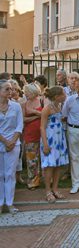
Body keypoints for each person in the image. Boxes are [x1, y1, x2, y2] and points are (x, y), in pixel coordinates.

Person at [40, 86, 69, 203]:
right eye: (63, 94)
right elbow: (42, 127)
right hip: (50, 139)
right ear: (57, 96)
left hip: (59, 139)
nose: (65, 95)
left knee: (58, 165)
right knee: (49, 166)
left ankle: (55, 189)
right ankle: (48, 191)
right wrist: (46, 145)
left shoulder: (59, 106)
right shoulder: (46, 109)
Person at [0, 79, 23, 213]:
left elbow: (20, 125)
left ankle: (9, 203)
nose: (11, 91)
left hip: (14, 144)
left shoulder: (16, 106)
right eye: (7, 89)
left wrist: (12, 141)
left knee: (10, 174)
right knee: (0, 174)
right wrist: (5, 141)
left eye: (11, 89)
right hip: (2, 142)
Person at [22, 83, 44, 190]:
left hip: (42, 133)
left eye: (27, 92)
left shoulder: (42, 100)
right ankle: (33, 181)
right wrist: (36, 116)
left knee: (43, 157)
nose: (25, 94)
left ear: (33, 92)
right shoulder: (25, 104)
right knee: (31, 159)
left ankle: (44, 178)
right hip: (30, 134)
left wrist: (34, 112)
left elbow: (46, 114)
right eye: (25, 92)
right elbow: (24, 119)